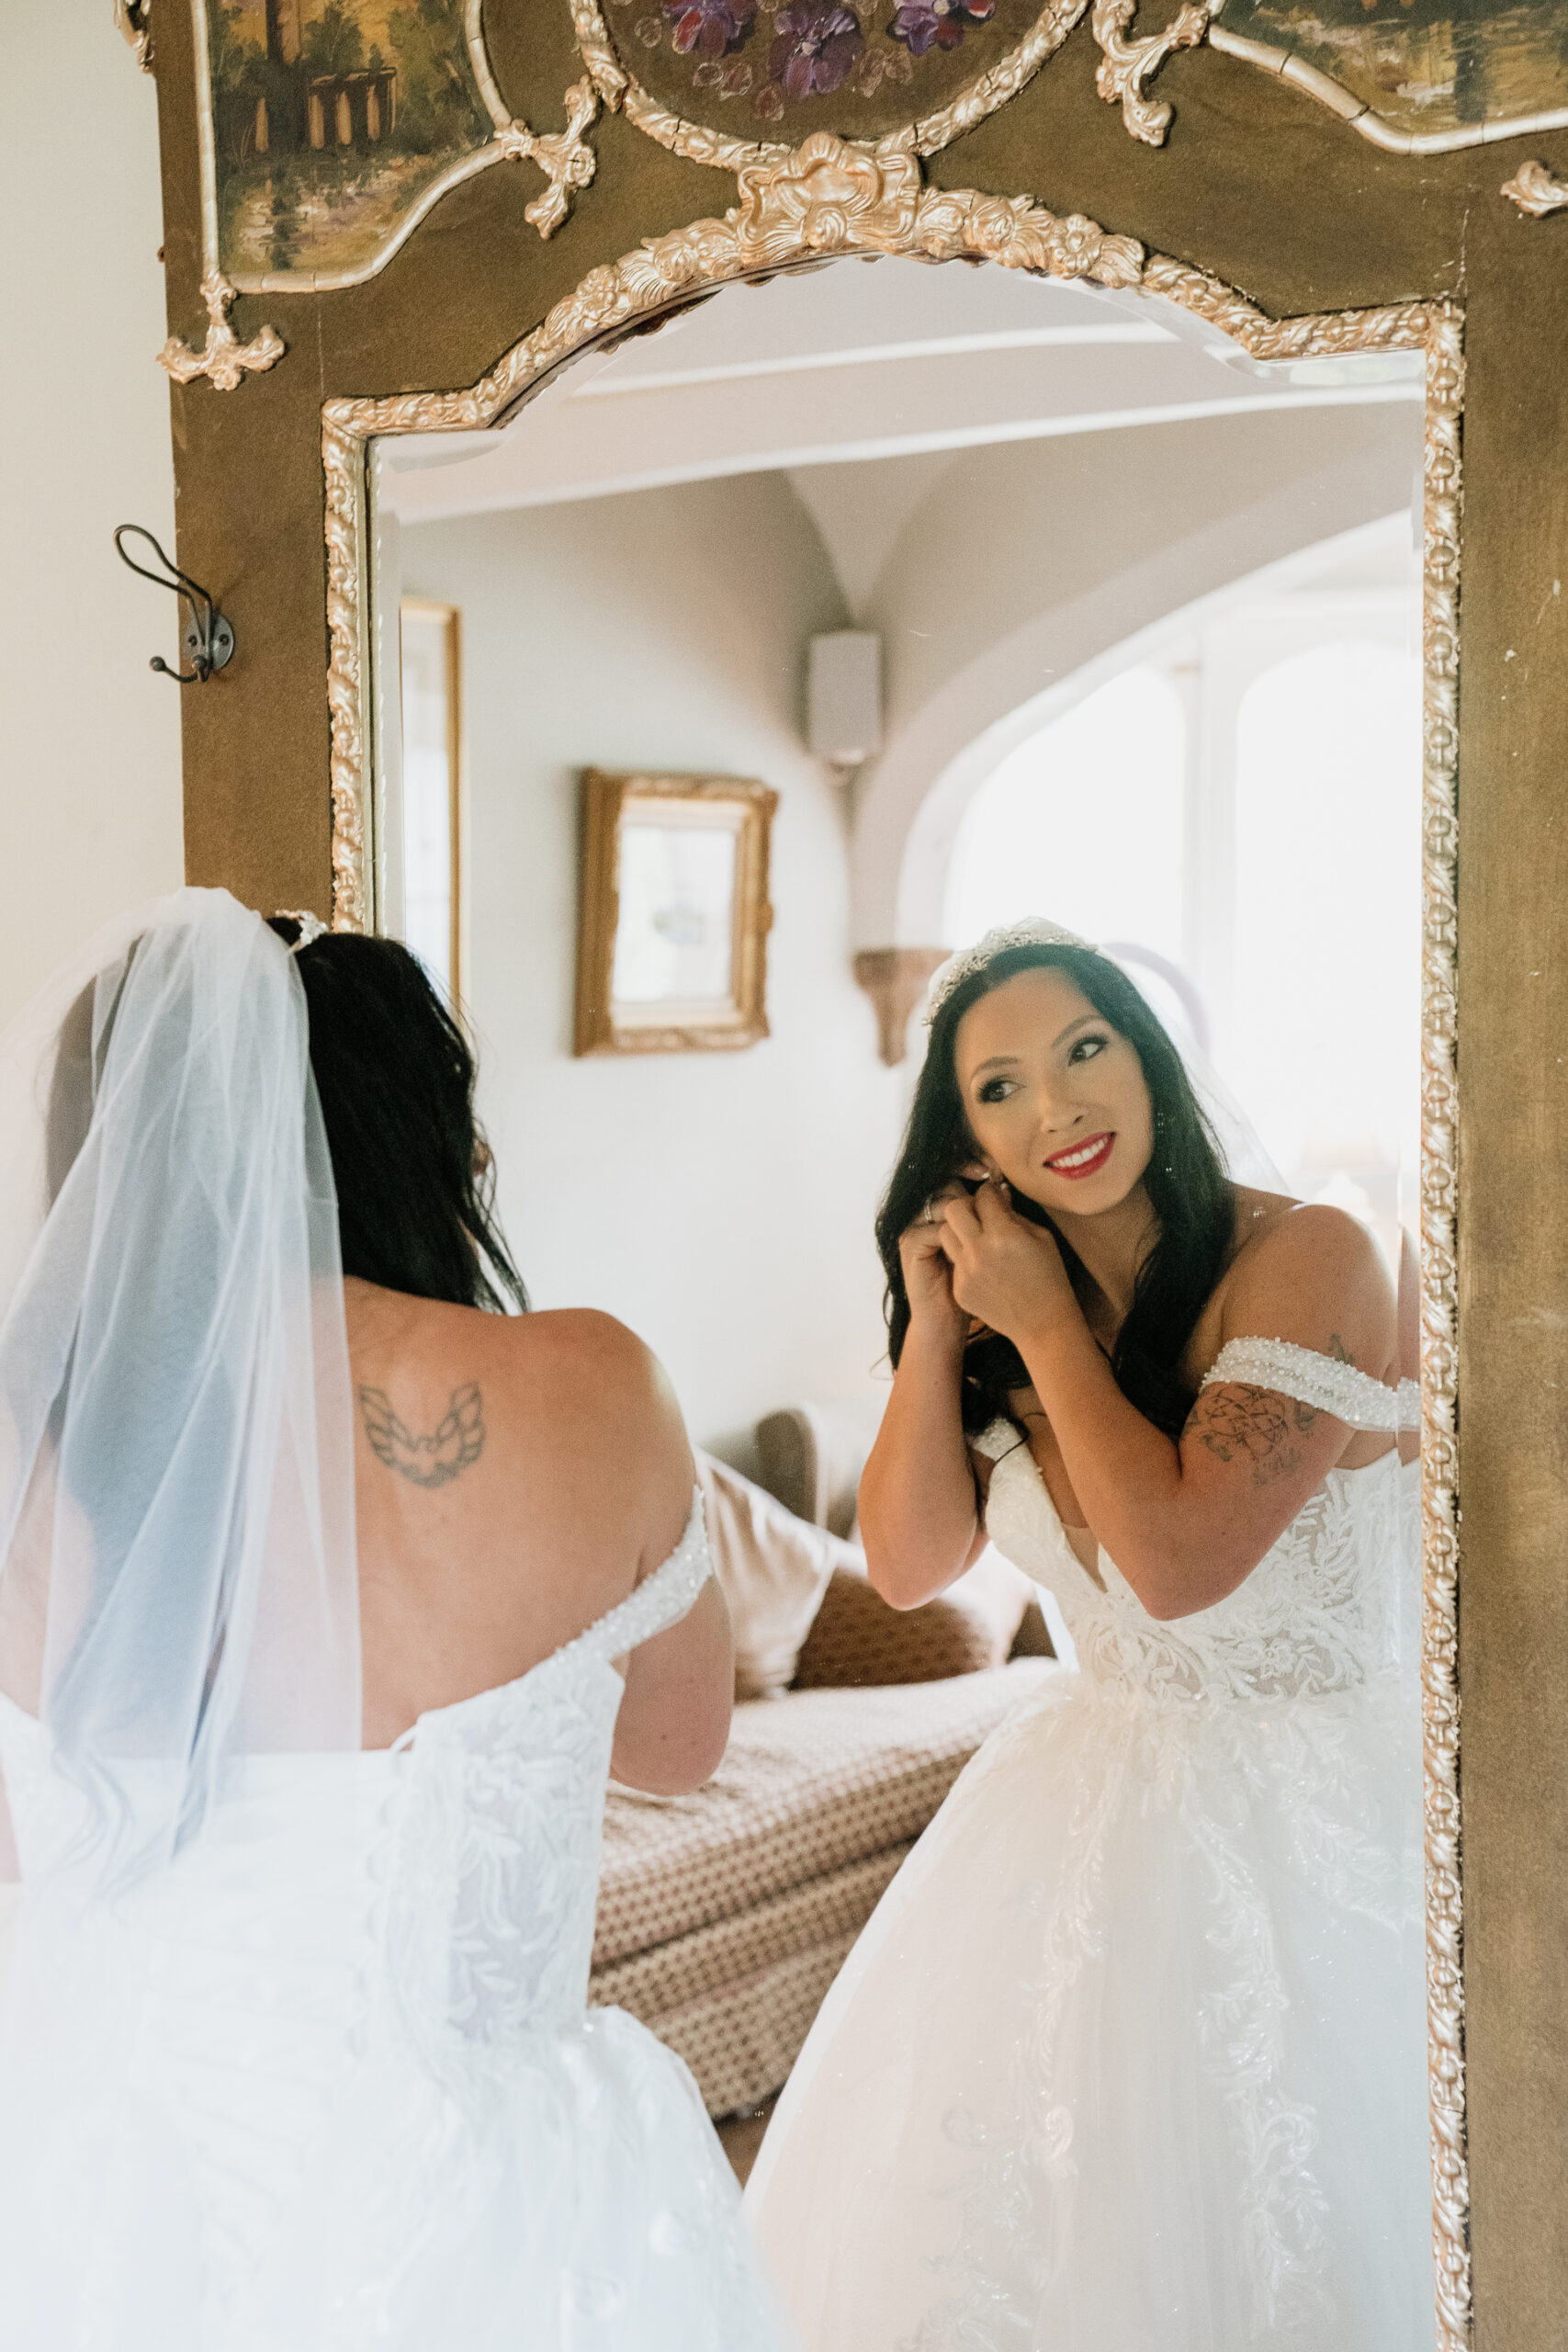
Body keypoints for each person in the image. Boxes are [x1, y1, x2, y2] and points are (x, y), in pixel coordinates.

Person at [0, 888, 789, 2351]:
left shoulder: (33, 1454)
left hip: (116, 2187)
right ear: (428, 1134)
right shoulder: (596, 1383)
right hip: (470, 2203)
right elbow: (680, 1745)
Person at [746, 918, 1431, 2351]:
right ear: (966, 1140)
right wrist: (941, 1329)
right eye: (1000, 1087)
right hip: (1080, 1822)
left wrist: (1052, 1332)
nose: (1055, 1107)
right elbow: (912, 1560)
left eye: (1083, 1050)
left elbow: (1182, 1566)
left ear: (1149, 1057)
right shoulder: (998, 1308)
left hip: (1317, 1825)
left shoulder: (1312, 1256)